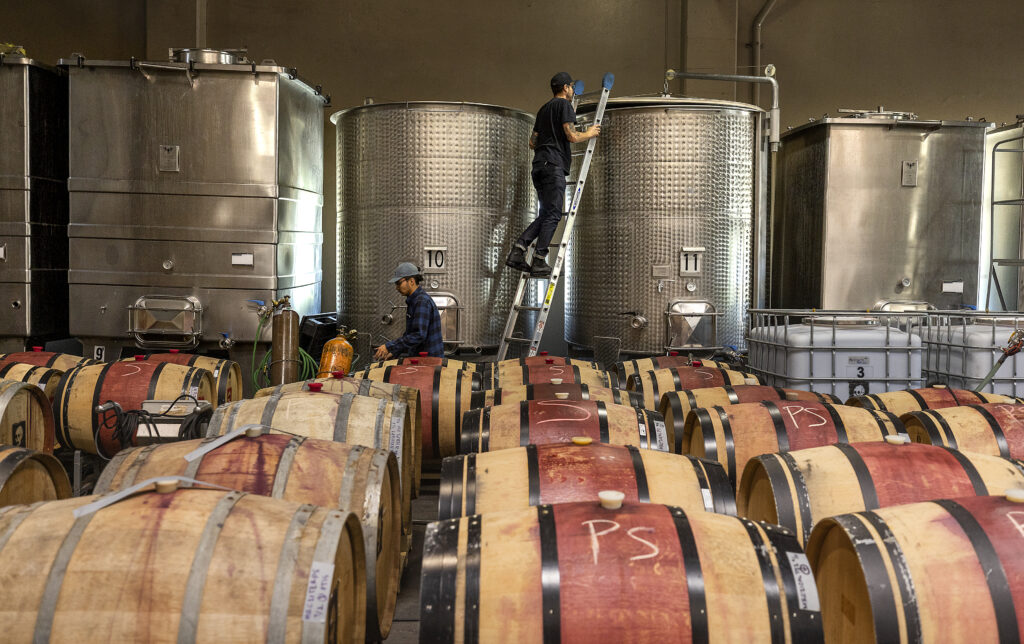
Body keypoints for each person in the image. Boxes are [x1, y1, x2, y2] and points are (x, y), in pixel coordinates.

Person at [506, 71, 601, 277]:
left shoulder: (543, 109)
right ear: (566, 87)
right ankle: (539, 260)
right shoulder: (564, 106)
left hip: (539, 166)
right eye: (572, 87)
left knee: (546, 214)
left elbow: (532, 142)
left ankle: (518, 251)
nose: (573, 90)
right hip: (553, 166)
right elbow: (571, 135)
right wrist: (590, 133)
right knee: (555, 214)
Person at [373, 262, 444, 359]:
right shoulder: (414, 301)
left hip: (429, 362)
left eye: (399, 283)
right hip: (421, 360)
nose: (396, 287)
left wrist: (388, 346)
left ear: (411, 281)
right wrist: (394, 352)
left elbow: (418, 335)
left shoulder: (421, 302)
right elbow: (410, 334)